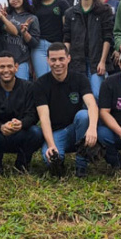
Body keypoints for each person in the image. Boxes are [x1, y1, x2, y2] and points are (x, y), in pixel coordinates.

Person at [35, 43, 99, 177]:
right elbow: (44, 118)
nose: (57, 63)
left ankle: (81, 166)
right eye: (53, 60)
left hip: (76, 130)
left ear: (68, 58)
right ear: (47, 60)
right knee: (50, 161)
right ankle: (59, 160)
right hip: (56, 133)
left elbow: (92, 104)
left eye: (61, 59)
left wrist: (92, 128)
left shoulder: (80, 79)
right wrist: (51, 145)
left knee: (83, 115)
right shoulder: (41, 84)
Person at [0, 51, 43, 174]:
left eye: (9, 66)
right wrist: (0, 127)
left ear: (16, 67)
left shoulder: (28, 87)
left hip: (21, 133)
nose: (6, 70)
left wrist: (22, 123)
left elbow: (33, 115)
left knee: (36, 132)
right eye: (2, 67)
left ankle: (22, 163)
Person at [63, 0, 114, 97]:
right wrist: (65, 59)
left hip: (97, 61)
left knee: (97, 95)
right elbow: (67, 38)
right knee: (79, 95)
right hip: (76, 61)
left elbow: (107, 37)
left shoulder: (104, 10)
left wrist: (102, 62)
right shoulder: (70, 13)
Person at [0, 0, 40, 80]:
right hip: (4, 61)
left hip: (21, 61)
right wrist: (2, 19)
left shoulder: (32, 18)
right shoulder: (6, 15)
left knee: (21, 90)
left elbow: (35, 43)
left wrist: (25, 33)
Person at [31, 0, 71, 78]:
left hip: (58, 46)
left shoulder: (62, 3)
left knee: (59, 77)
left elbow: (67, 28)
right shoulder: (34, 7)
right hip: (40, 47)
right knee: (43, 79)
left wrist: (66, 47)